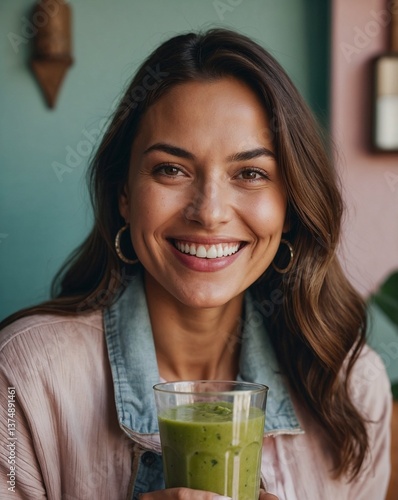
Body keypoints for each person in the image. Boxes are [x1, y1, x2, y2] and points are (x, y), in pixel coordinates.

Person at [0, 28, 392, 500]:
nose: (208, 212)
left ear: (289, 207)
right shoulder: (25, 376)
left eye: (250, 173)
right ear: (124, 193)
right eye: (171, 169)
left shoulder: (350, 387)